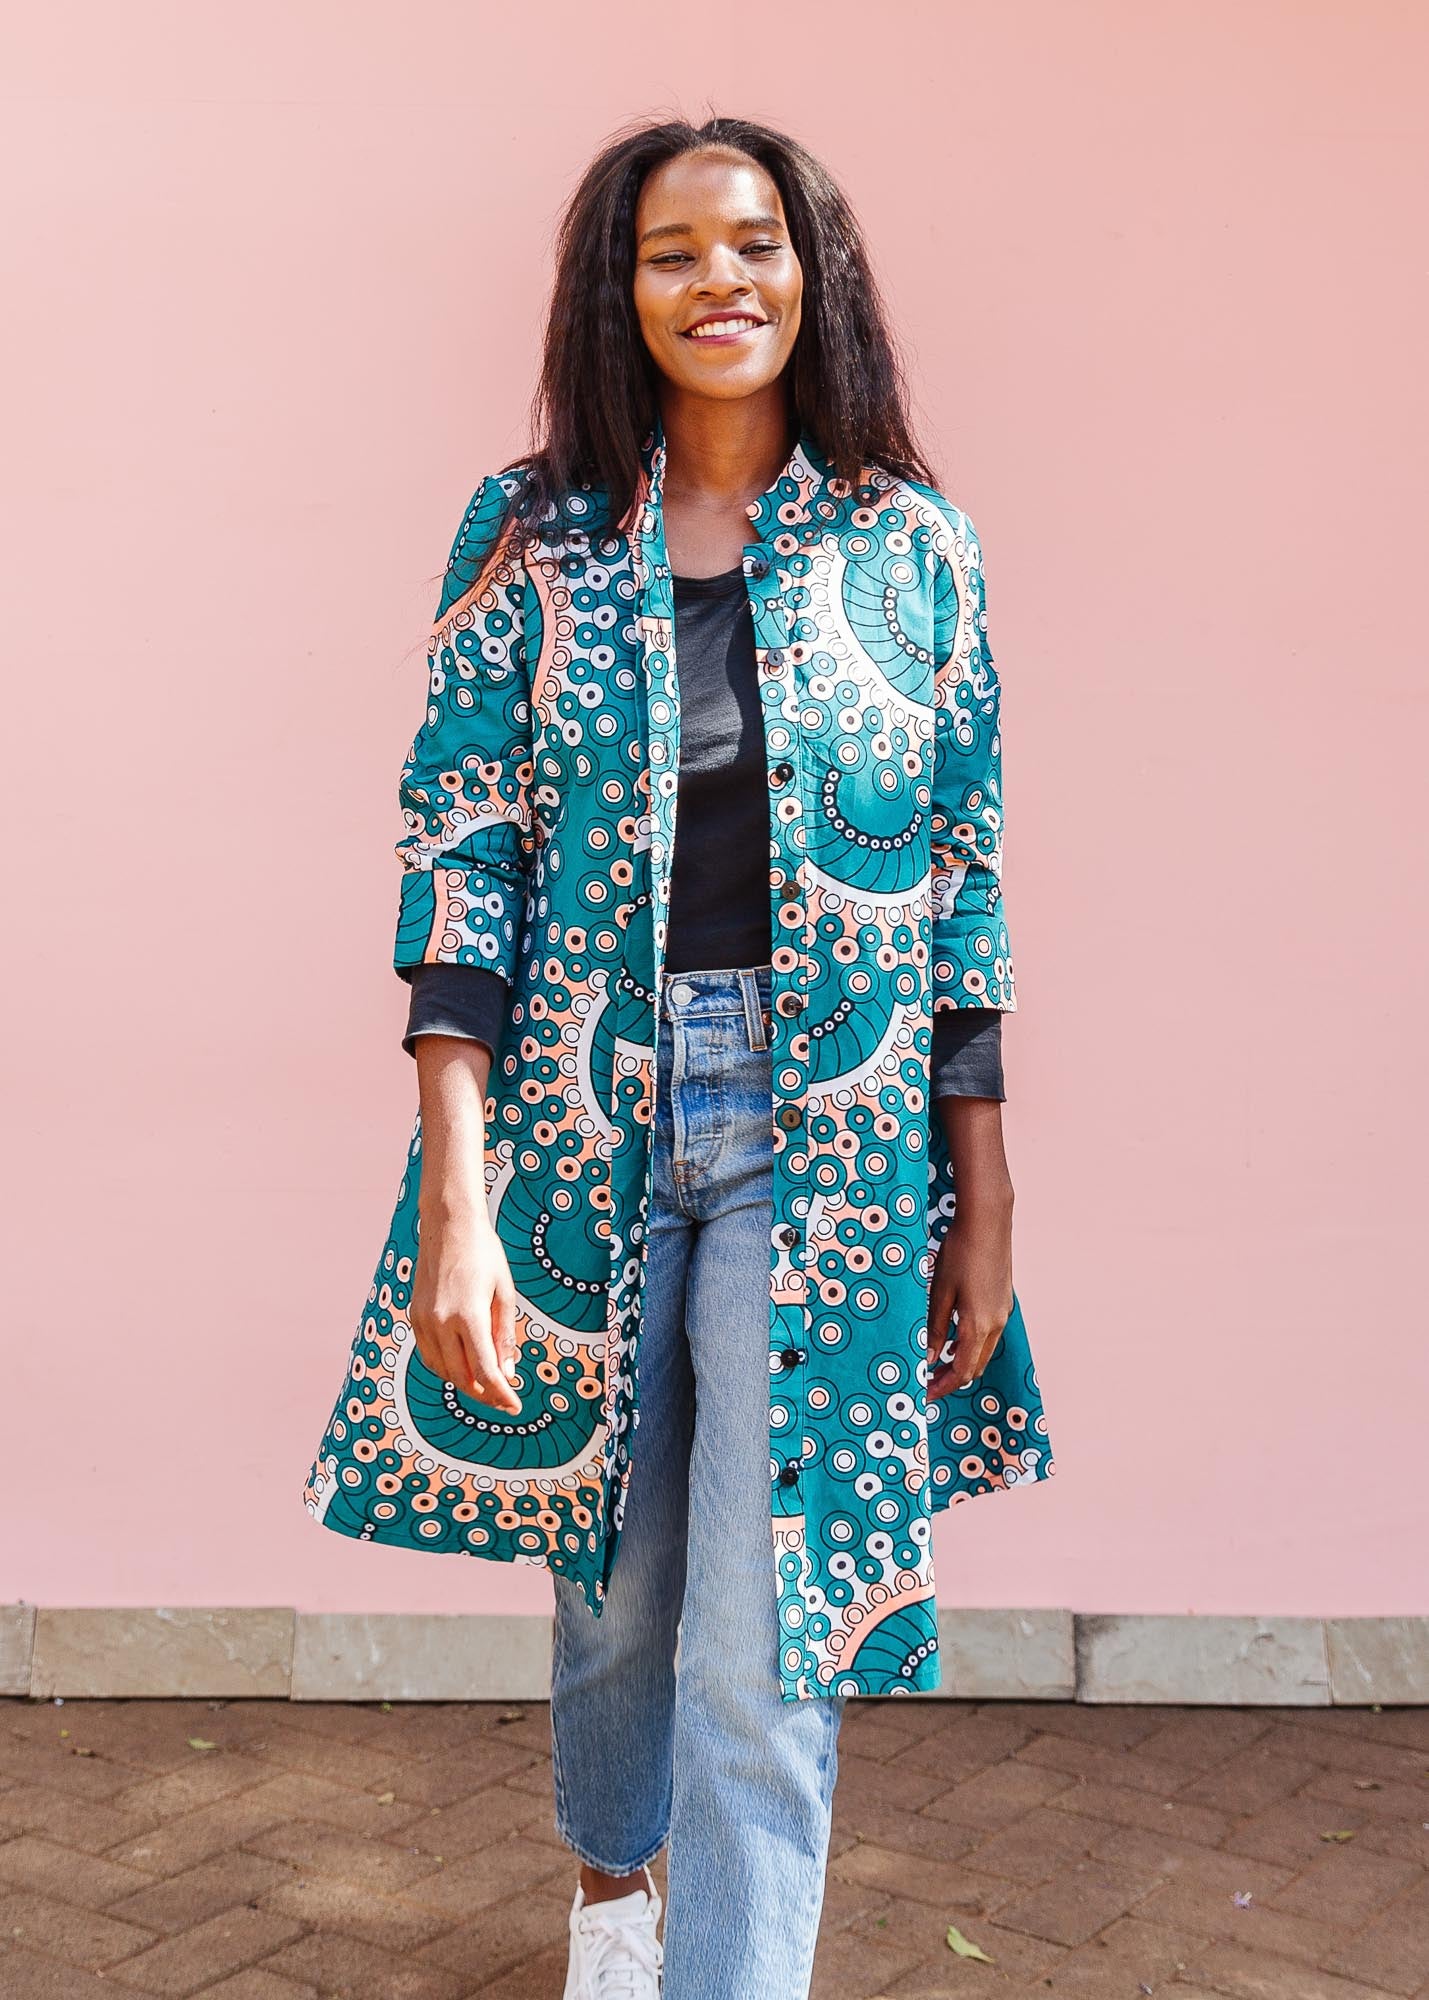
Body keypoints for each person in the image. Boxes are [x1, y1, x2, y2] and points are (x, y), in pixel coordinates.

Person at [303, 112, 1053, 2000]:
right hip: (580, 1124)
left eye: (753, 242)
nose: (719, 279)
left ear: (814, 271)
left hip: (838, 1142)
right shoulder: (534, 534)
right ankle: (612, 1882)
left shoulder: (911, 548)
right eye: (671, 251)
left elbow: (963, 882)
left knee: (768, 1629)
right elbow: (459, 849)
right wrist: (458, 1188)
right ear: (614, 292)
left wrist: (985, 1187)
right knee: (616, 1594)